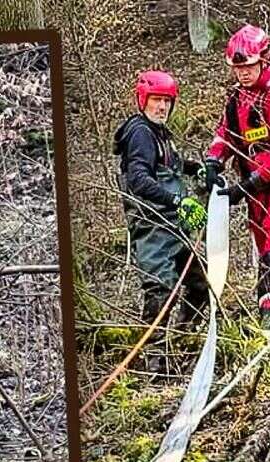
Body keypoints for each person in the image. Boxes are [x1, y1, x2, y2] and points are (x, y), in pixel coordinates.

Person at [202, 24, 270, 329]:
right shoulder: (237, 98)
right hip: (255, 190)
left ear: (263, 60)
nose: (243, 73)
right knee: (267, 249)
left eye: (248, 66)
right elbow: (224, 135)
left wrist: (248, 184)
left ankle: (267, 329)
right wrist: (213, 162)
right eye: (238, 68)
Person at [114, 68, 210, 327]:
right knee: (161, 291)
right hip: (152, 227)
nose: (162, 107)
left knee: (200, 284)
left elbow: (168, 166)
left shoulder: (160, 134)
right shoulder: (140, 134)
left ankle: (183, 337)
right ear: (143, 100)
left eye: (167, 101)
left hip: (172, 228)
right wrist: (179, 202)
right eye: (156, 100)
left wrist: (196, 168)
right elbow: (139, 180)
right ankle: (155, 360)